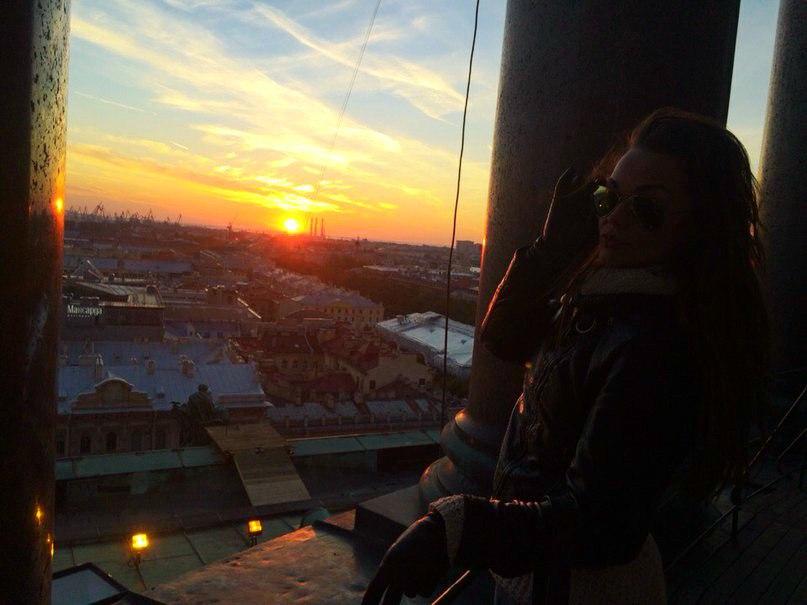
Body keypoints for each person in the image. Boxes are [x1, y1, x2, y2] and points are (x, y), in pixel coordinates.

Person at [362, 108, 770, 605]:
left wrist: (462, 525)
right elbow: (504, 340)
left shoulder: (658, 346)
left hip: (578, 588)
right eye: (607, 197)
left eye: (647, 209)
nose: (613, 218)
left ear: (701, 228)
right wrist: (549, 248)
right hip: (544, 572)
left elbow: (600, 523)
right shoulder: (609, 300)